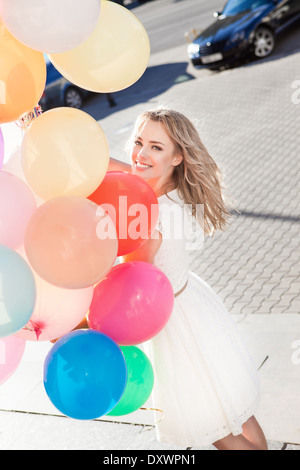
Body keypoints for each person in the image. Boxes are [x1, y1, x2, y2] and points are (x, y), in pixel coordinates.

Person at [110, 108, 268, 450]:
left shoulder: (150, 213)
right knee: (233, 410)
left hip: (174, 325)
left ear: (178, 156)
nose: (140, 154)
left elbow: (128, 284)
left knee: (216, 429)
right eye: (139, 142)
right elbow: (113, 169)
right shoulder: (164, 189)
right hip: (192, 306)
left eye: (155, 147)